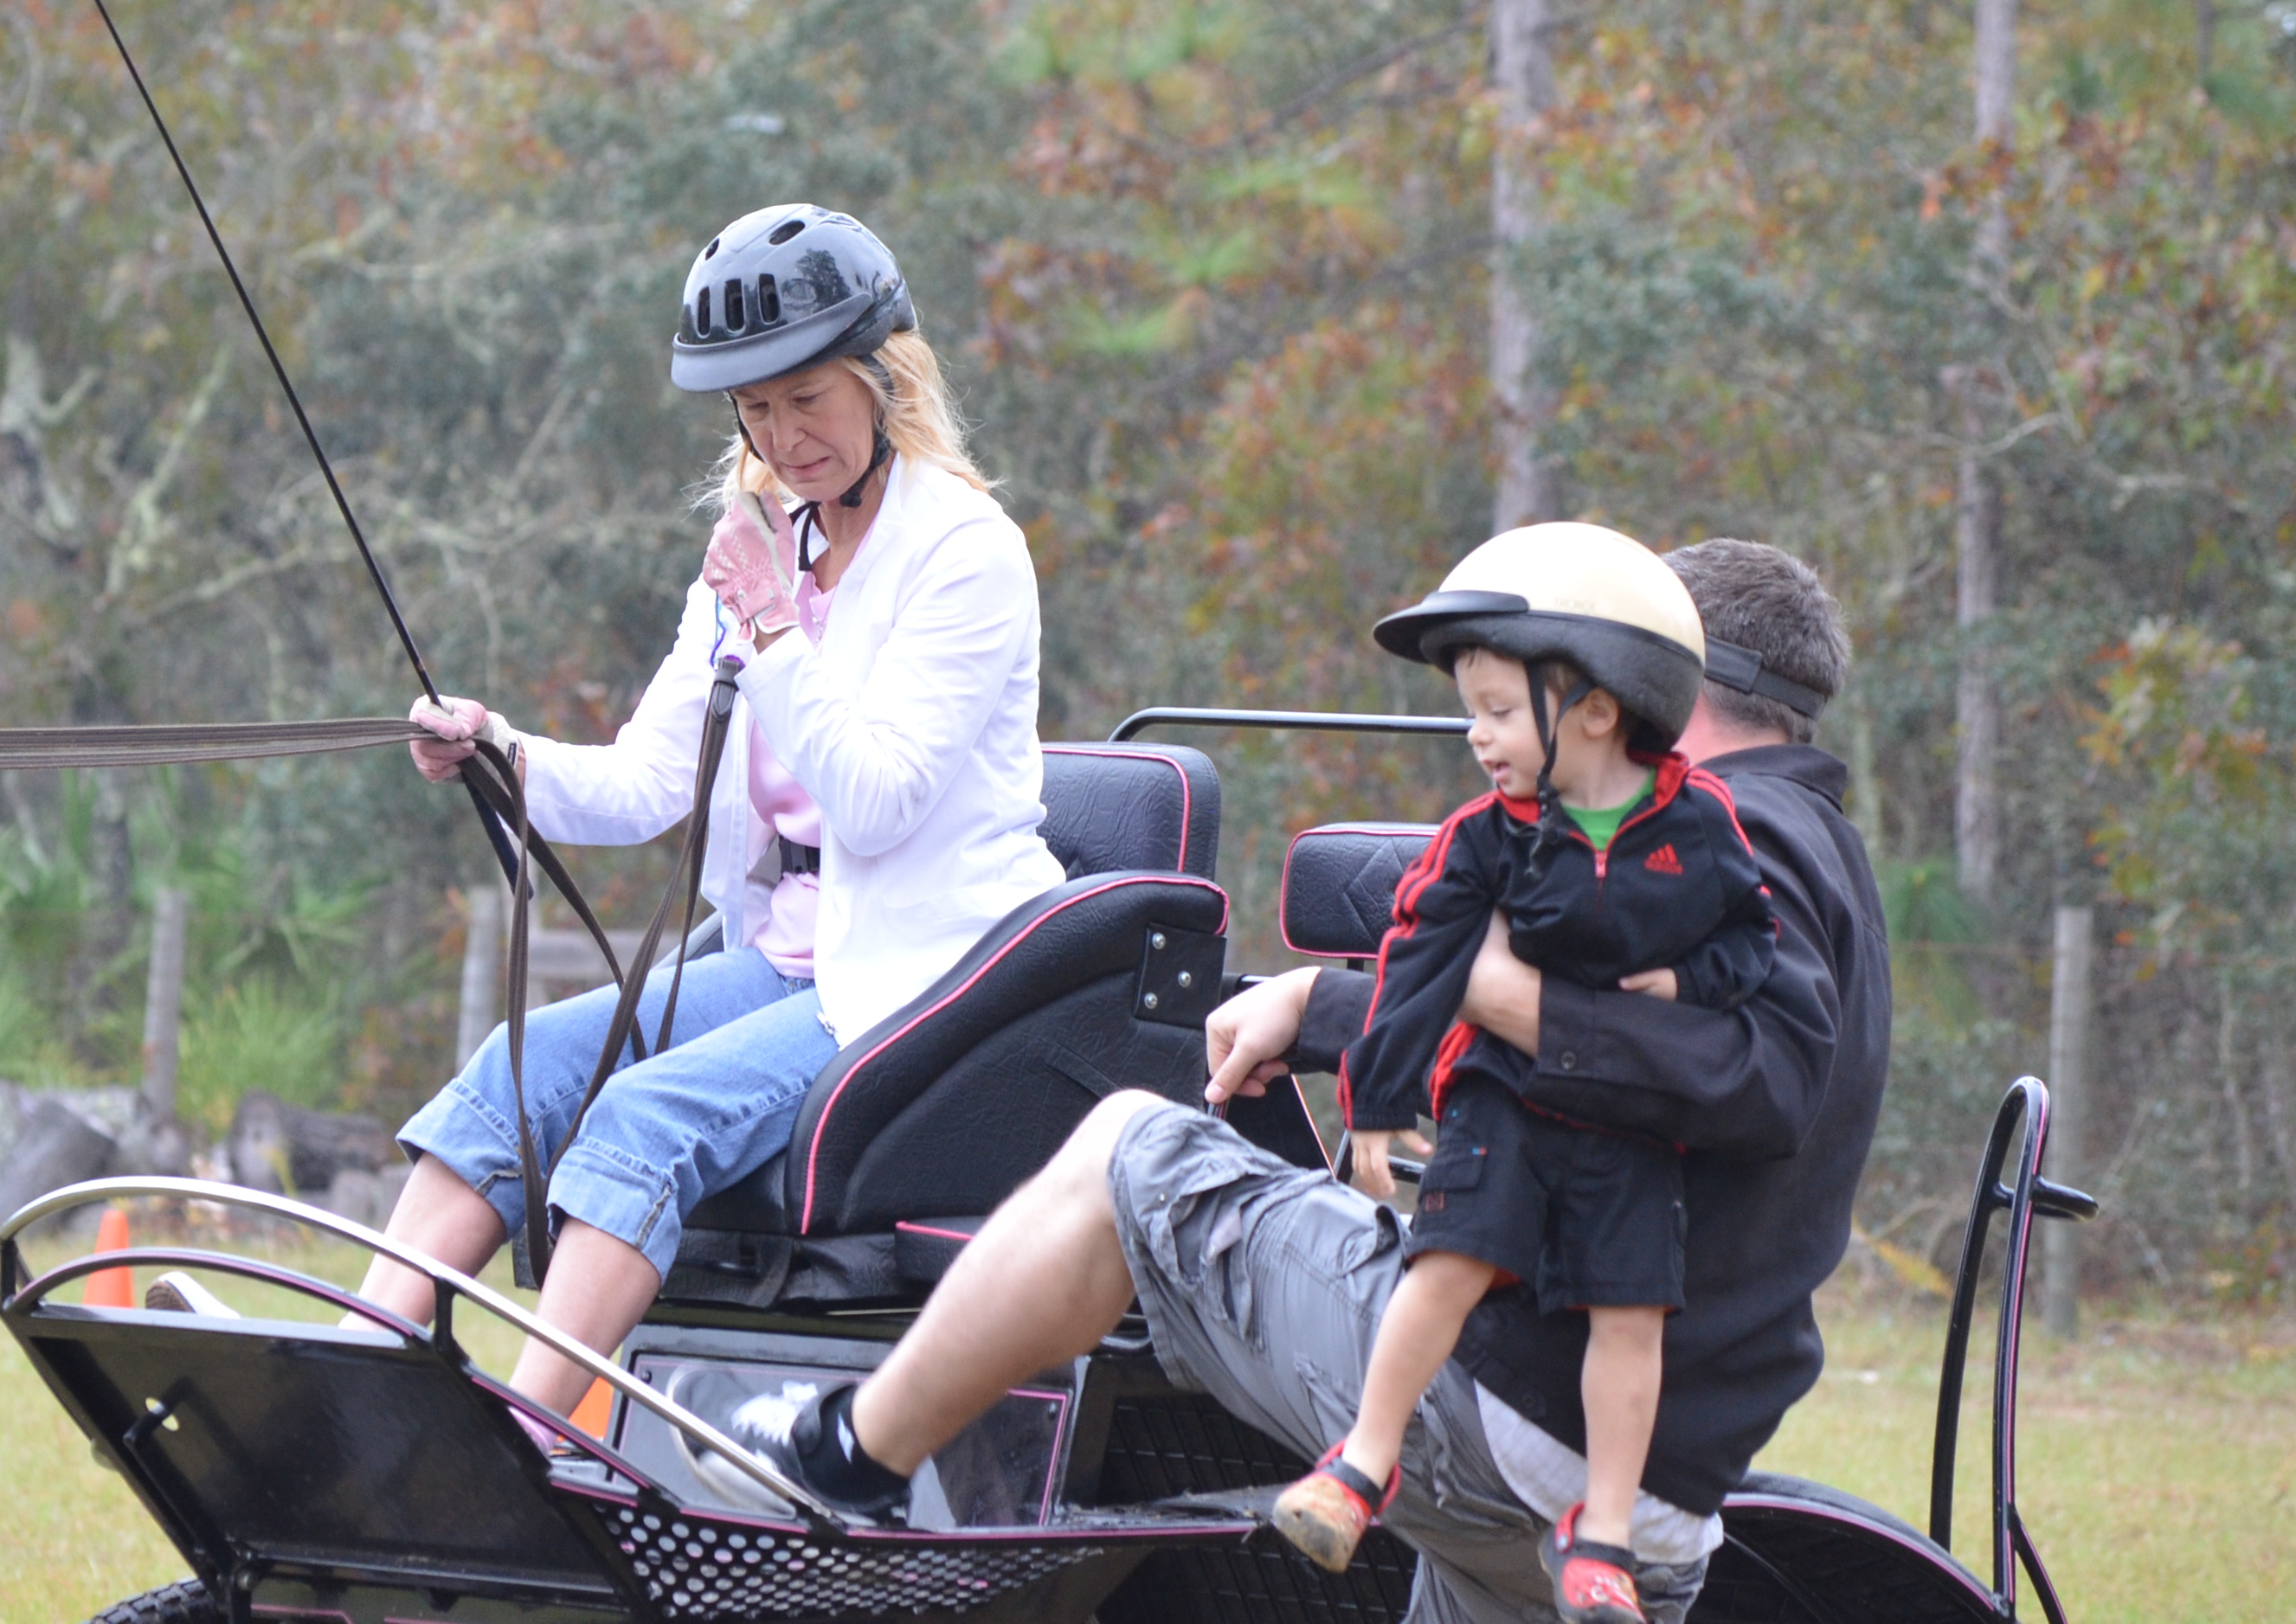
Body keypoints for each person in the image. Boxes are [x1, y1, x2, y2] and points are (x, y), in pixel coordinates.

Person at [704, 537, 1890, 1624]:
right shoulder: (1807, 859)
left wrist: (1471, 986)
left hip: (1509, 1402)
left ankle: (842, 1458)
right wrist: (1328, 1008)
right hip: (1651, 1496)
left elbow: (1758, 1080)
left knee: (1128, 1150)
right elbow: (1627, 1045)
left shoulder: (1737, 837)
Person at [361, 203, 1064, 1431]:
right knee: (521, 1069)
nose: (781, 439)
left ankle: (520, 1442)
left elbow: (877, 804)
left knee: (645, 1115)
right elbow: (648, 782)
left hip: (926, 978)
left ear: (883, 378)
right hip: (791, 961)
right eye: (754, 410)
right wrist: (499, 754)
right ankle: (348, 1383)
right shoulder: (756, 546)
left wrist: (778, 629)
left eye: (806, 400)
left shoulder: (967, 553)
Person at [1268, 526, 1777, 1624]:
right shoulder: (1483, 840)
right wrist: (1375, 1102)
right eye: (1473, 712)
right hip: (1501, 1097)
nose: (1476, 735)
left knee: (1631, 1319)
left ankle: (1603, 1540)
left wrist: (1686, 982)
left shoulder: (1700, 829)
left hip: (1627, 1123)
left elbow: (1751, 941)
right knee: (1446, 1264)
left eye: (1498, 710)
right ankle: (1361, 1466)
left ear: (1595, 706)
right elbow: (1417, 964)